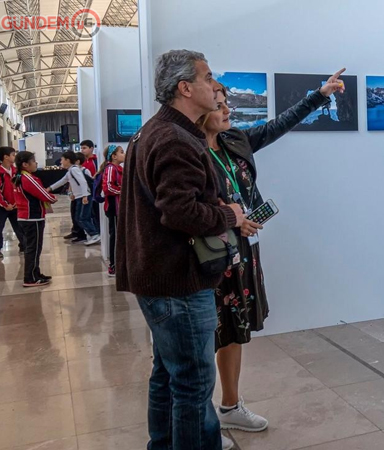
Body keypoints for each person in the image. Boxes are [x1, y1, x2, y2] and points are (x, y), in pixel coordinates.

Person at [200, 70, 345, 434]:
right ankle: (201, 424)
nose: (227, 109)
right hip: (206, 255)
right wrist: (231, 221)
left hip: (243, 249)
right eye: (219, 105)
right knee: (203, 337)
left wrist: (320, 94)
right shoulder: (187, 150)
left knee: (235, 329)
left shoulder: (234, 139)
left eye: (227, 102)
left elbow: (278, 125)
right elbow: (185, 208)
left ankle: (230, 405)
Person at [116, 49, 245, 450]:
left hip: (157, 278)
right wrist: (230, 215)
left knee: (167, 375)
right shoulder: (175, 138)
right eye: (208, 78)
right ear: (185, 88)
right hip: (179, 282)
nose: (215, 86)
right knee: (192, 383)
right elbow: (181, 212)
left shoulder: (152, 131)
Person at [14, 151, 58, 287]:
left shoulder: (19, 177)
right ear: (25, 164)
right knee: (33, 248)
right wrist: (52, 199)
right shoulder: (28, 178)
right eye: (33, 161)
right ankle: (30, 277)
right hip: (32, 217)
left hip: (26, 217)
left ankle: (35, 272)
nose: (36, 163)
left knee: (33, 247)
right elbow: (42, 193)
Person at [50, 151, 100, 246]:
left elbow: (83, 182)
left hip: (84, 197)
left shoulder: (74, 170)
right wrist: (50, 188)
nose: (61, 162)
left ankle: (95, 234)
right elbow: (62, 181)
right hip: (80, 197)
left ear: (67, 160)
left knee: (83, 218)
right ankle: (92, 234)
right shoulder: (71, 171)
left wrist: (85, 195)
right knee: (79, 218)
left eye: (62, 160)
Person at [0, 146, 25, 259]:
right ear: (6, 157)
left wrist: (16, 202)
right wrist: (4, 204)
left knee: (19, 226)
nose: (15, 157)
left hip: (15, 205)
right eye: (13, 155)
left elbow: (20, 187)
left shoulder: (16, 172)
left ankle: (24, 245)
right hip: (1, 207)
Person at [100, 144, 124, 277]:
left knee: (119, 236)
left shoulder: (119, 169)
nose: (123, 154)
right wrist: (123, 192)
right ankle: (113, 266)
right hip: (114, 208)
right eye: (121, 152)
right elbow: (108, 188)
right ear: (113, 156)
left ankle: (120, 263)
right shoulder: (110, 169)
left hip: (120, 208)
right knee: (114, 236)